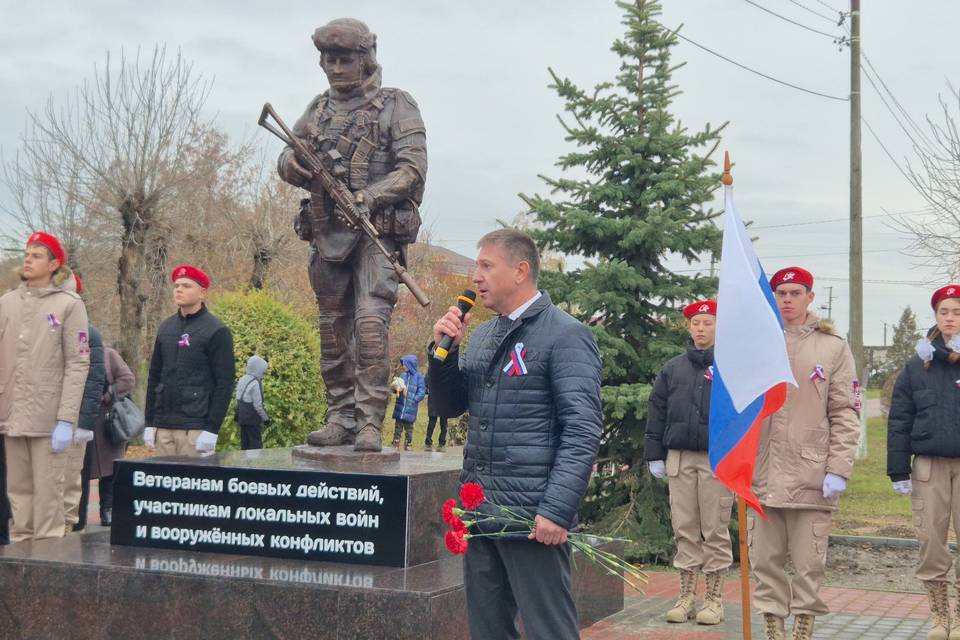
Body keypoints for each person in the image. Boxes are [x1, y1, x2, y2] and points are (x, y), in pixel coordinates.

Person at [429, 228, 602, 640]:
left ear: (520, 270)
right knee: (488, 629)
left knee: (548, 631)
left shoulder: (566, 335)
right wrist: (443, 353)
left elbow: (583, 428)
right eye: (477, 266)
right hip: (483, 510)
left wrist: (557, 510)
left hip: (531, 517)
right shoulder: (486, 335)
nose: (476, 277)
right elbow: (450, 406)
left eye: (486, 265)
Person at [277, 17, 427, 452]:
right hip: (326, 234)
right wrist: (293, 166)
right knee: (330, 328)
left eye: (344, 59)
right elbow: (288, 152)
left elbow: (413, 169)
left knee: (369, 325)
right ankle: (339, 415)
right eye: (328, 59)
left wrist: (370, 196)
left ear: (366, 58)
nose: (335, 68)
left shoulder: (398, 105)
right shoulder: (319, 108)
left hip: (375, 235)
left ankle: (368, 421)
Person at [750, 267, 860, 640]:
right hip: (761, 474)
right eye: (781, 293)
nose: (787, 300)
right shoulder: (757, 341)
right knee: (765, 562)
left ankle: (803, 631)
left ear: (811, 297)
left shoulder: (832, 347)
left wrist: (839, 468)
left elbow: (846, 411)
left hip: (811, 475)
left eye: (796, 293)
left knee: (809, 562)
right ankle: (773, 630)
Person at [645, 299, 732, 626]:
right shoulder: (673, 369)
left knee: (714, 529)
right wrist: (655, 454)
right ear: (688, 327)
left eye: (707, 323)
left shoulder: (729, 368)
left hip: (716, 459)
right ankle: (686, 597)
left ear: (718, 327)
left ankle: (714, 599)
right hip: (679, 458)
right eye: (696, 323)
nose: (701, 328)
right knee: (684, 528)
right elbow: (657, 411)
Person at [0, 232, 90, 541]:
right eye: (27, 253)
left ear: (54, 264)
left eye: (37, 255)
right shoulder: (7, 302)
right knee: (18, 494)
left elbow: (78, 363)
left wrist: (66, 419)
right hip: (11, 414)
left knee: (49, 498)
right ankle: (19, 564)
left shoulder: (69, 305)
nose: (28, 259)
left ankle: (49, 566)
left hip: (49, 417)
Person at [888, 284, 960, 640]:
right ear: (935, 316)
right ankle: (939, 616)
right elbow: (900, 418)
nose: (950, 318)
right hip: (929, 465)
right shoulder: (919, 364)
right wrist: (898, 469)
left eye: (957, 312)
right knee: (931, 541)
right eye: (944, 312)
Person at [143, 265, 235, 457]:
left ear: (202, 293)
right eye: (176, 285)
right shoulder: (166, 327)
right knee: (161, 485)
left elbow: (224, 383)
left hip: (195, 428)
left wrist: (212, 429)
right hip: (164, 426)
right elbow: (154, 377)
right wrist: (150, 423)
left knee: (191, 483)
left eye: (186, 286)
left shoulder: (216, 331)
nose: (179, 289)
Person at [63, 275, 105, 532]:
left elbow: (93, 379)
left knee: (71, 479)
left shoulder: (87, 334)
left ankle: (68, 528)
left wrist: (86, 421)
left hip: (75, 416)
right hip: (43, 416)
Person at [88, 345, 135, 526]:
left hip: (109, 423)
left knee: (110, 470)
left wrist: (108, 395)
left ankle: (107, 509)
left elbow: (127, 379)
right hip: (84, 422)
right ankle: (77, 514)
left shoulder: (108, 354)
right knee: (82, 472)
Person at [390, 355, 425, 450]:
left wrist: (414, 399)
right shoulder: (402, 375)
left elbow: (422, 391)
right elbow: (399, 387)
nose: (403, 366)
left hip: (411, 407)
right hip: (400, 406)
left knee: (409, 427)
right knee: (398, 426)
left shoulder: (419, 377)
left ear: (410, 365)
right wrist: (395, 389)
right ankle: (396, 442)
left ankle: (408, 443)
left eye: (405, 364)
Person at [236, 355, 270, 450]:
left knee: (245, 444)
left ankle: (244, 464)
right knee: (255, 444)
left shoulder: (242, 379)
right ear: (258, 368)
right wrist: (266, 419)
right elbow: (258, 405)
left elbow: (238, 397)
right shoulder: (255, 382)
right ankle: (255, 464)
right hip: (252, 418)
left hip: (242, 416)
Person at [423, 375, 450, 452]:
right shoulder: (431, 371)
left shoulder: (448, 371)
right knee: (431, 424)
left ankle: (442, 444)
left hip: (445, 401)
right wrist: (426, 390)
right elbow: (424, 385)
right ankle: (428, 443)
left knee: (444, 424)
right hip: (433, 401)